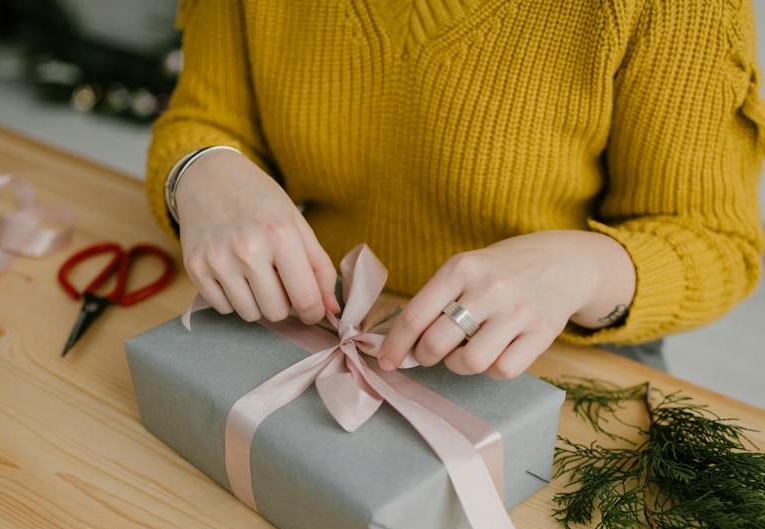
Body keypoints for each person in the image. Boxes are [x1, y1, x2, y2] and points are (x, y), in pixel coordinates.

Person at [147, 0, 764, 376]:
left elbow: (715, 240)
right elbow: (205, 118)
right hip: (307, 316)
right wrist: (200, 168)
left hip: (552, 350)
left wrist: (589, 268)